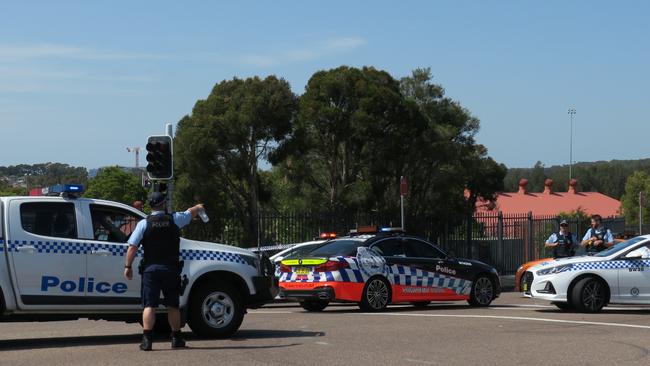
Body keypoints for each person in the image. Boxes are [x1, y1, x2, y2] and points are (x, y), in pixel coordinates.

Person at [123, 192, 204, 351]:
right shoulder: (175, 219)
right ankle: (176, 339)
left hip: (150, 270)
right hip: (170, 270)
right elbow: (190, 213)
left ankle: (147, 340)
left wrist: (128, 266)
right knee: (173, 306)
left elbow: (132, 246)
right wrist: (198, 207)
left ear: (150, 206)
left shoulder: (143, 223)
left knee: (149, 306)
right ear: (164, 204)